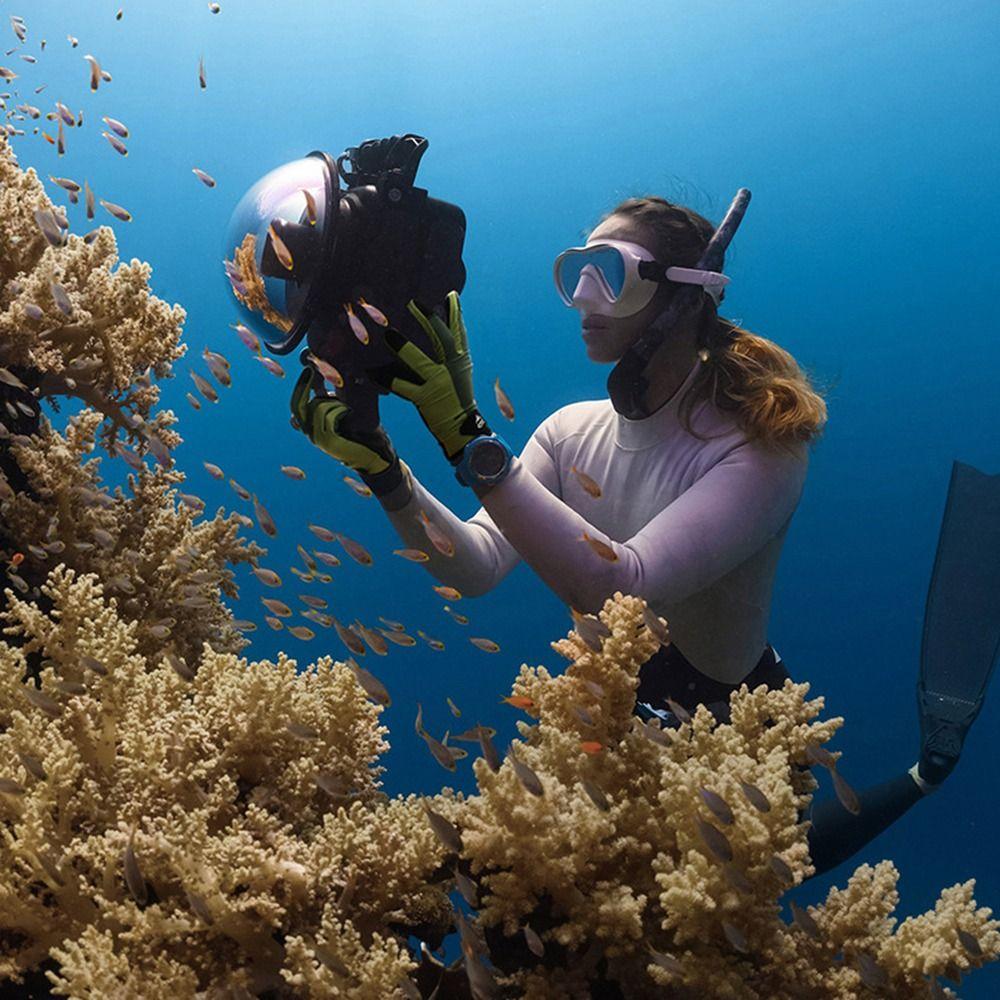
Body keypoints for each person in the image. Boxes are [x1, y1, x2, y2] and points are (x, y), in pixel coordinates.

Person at [289, 194, 1000, 879]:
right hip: (617, 733)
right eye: (576, 271)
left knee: (760, 885)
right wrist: (386, 469)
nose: (585, 295)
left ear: (686, 293)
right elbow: (473, 568)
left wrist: (471, 439)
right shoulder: (568, 433)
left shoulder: (762, 446)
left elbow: (620, 588)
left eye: (612, 271)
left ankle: (926, 771)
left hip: (742, 737)